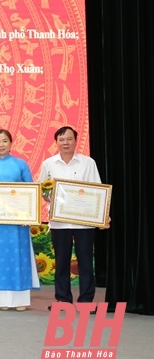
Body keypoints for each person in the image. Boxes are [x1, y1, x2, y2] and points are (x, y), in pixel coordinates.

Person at [38, 126, 105, 310]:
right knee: (61, 262)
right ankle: (63, 300)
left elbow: (97, 190)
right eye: (62, 139)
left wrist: (101, 214)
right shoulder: (49, 164)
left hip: (84, 222)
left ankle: (86, 301)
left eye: (69, 139)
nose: (65, 142)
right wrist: (48, 194)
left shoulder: (88, 162)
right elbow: (42, 190)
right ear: (56, 142)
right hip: (59, 222)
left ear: (76, 140)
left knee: (85, 261)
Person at [0, 129, 39, 311]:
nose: (1, 144)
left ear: (11, 143)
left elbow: (31, 191)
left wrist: (29, 215)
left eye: (5, 141)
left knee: (18, 256)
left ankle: (19, 300)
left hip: (17, 221)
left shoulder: (21, 164)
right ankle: (0, 301)